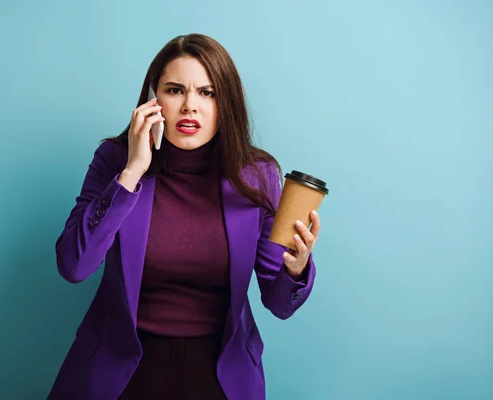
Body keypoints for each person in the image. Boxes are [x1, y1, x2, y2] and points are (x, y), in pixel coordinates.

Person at [47, 33, 321, 400]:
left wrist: (296, 268)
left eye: (207, 93)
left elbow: (279, 302)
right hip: (119, 370)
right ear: (152, 99)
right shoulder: (115, 159)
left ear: (227, 104)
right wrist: (131, 173)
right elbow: (74, 266)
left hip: (219, 373)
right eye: (175, 90)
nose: (190, 106)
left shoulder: (257, 174)